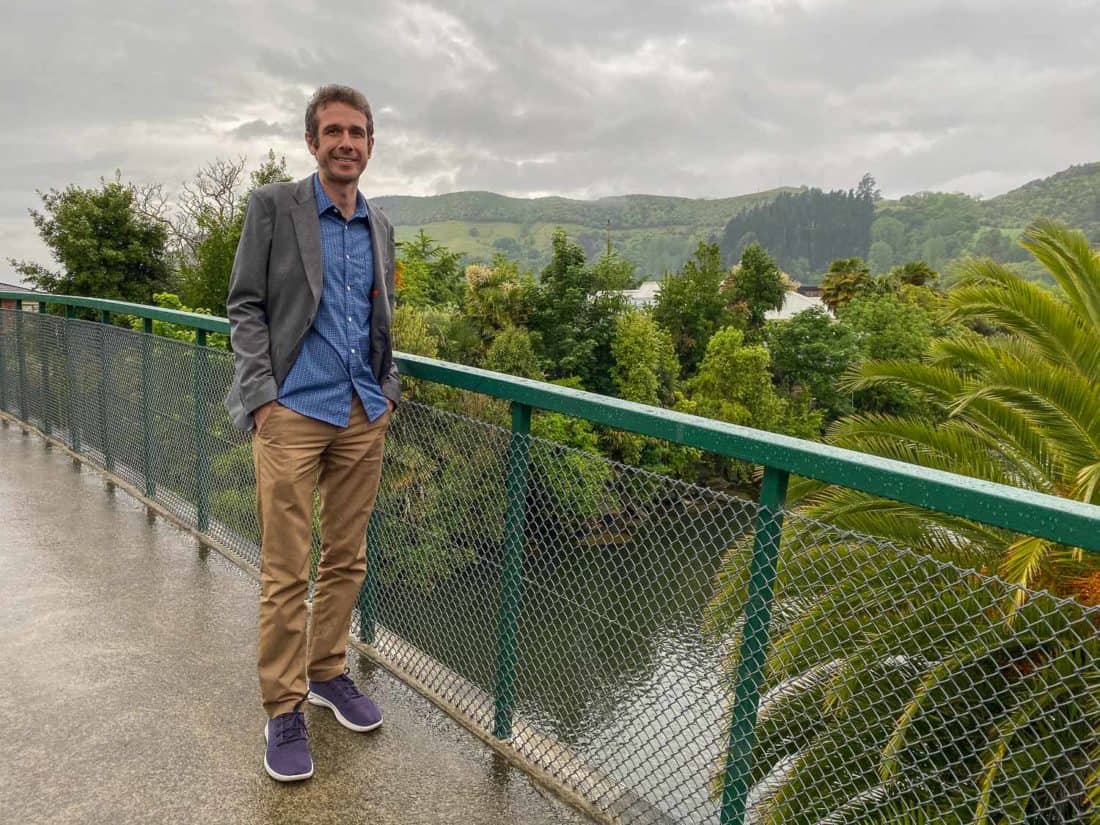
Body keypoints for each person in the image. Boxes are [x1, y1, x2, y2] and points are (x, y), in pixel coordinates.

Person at [224, 84, 400, 782]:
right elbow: (244, 304)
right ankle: (283, 705)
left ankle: (327, 671)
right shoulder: (274, 207)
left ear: (371, 144)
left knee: (347, 558)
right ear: (312, 141)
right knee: (285, 568)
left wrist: (388, 392)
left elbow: (379, 316)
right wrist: (263, 400)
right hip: (294, 411)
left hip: (363, 413)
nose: (346, 142)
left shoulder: (379, 225)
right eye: (333, 131)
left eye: (357, 132)